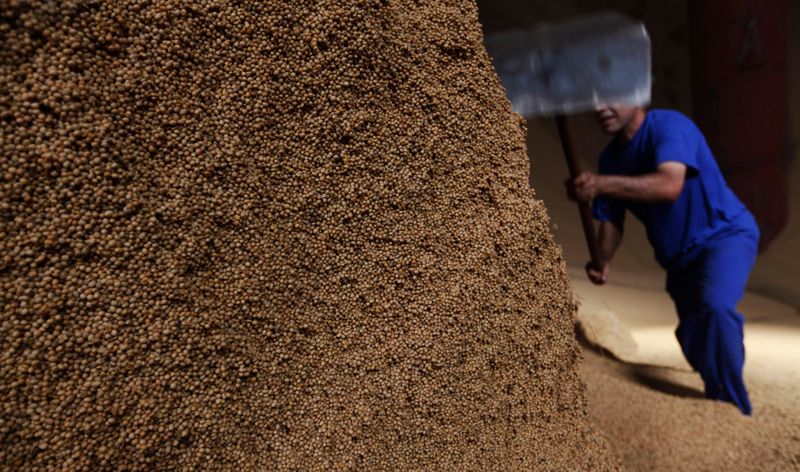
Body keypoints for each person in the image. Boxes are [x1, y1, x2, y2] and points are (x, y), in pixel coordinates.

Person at [566, 105, 760, 415]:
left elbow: (669, 185)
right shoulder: (610, 160)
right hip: (678, 259)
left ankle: (731, 410)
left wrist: (601, 184)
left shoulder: (669, 126)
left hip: (724, 236)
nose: (601, 107)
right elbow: (611, 221)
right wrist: (603, 260)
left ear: (637, 97)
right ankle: (709, 370)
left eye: (612, 96)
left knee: (715, 307)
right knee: (695, 336)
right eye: (595, 101)